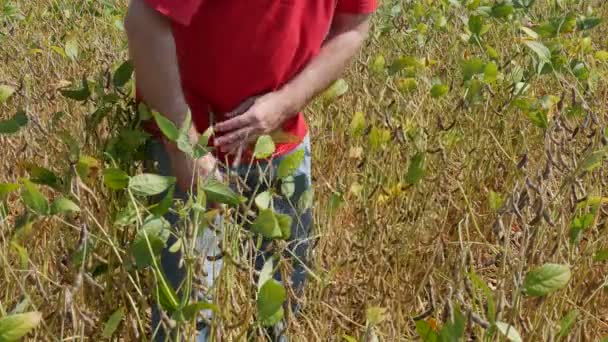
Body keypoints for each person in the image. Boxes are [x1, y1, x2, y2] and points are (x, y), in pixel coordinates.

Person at [124, 0, 376, 340]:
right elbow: (145, 22)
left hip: (281, 148)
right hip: (188, 150)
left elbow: (352, 28)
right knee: (184, 321)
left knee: (281, 314)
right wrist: (186, 150)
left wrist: (285, 103)